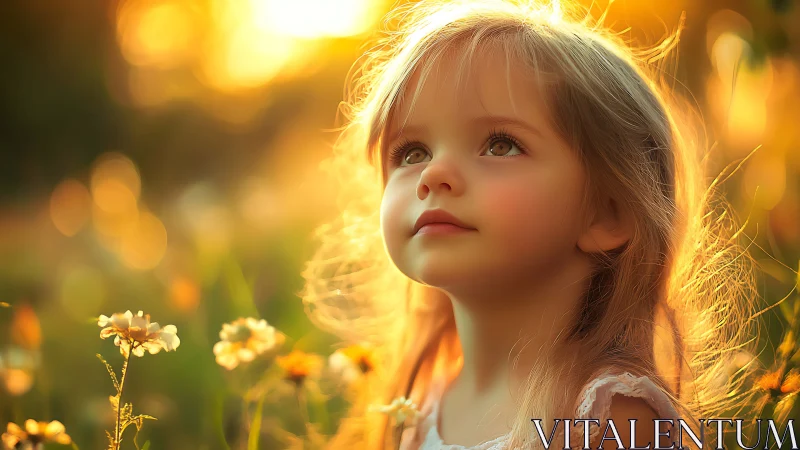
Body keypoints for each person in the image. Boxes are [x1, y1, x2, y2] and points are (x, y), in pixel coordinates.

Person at [299, 0, 760, 449]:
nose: (432, 175)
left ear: (606, 213)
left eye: (500, 145)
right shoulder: (421, 398)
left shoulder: (607, 419)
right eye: (412, 152)